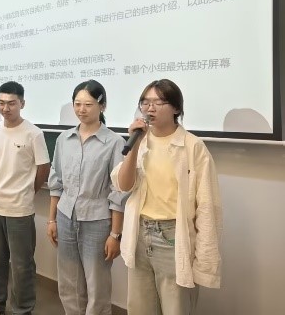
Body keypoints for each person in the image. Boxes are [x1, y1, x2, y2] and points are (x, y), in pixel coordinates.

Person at [111, 79, 222, 315]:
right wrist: (134, 147)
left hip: (172, 237)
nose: (149, 108)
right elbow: (123, 185)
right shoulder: (140, 142)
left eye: (158, 102)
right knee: (139, 307)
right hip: (140, 232)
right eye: (145, 102)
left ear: (176, 108)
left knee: (175, 308)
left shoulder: (193, 146)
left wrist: (204, 259)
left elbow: (206, 206)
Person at [0, 81, 50, 315]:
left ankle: (22, 310)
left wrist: (28, 191)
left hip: (20, 209)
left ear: (22, 104)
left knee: (22, 265)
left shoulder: (34, 133)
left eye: (11, 103)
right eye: (1, 103)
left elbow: (43, 168)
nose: (5, 108)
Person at [47, 80, 126, 315]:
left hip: (98, 222)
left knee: (97, 284)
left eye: (88, 104)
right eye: (77, 104)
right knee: (69, 282)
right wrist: (51, 219)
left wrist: (115, 234)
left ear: (102, 106)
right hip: (65, 216)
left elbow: (119, 192)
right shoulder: (64, 139)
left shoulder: (114, 142)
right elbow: (56, 182)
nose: (81, 110)